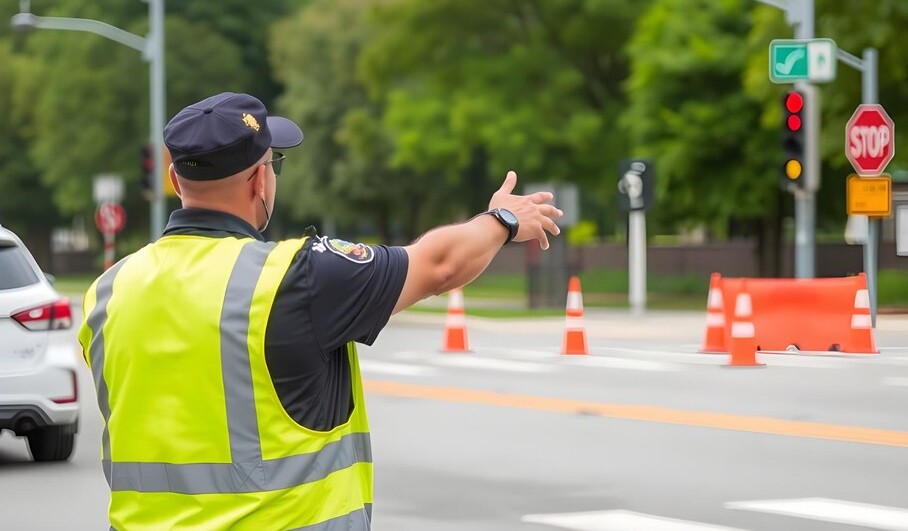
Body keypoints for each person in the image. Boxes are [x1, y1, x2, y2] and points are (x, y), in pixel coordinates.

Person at [77, 92, 561, 530]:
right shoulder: (293, 276)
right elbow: (440, 265)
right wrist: (502, 220)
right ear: (259, 178)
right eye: (275, 164)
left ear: (174, 178)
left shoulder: (108, 291)